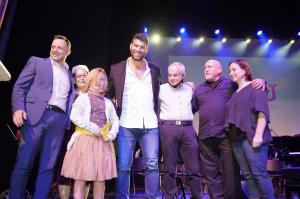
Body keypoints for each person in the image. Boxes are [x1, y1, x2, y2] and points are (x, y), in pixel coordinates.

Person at [10, 35, 74, 199]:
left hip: (58, 122)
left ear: (68, 51)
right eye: (53, 46)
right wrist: (18, 108)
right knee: (24, 164)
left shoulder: (68, 74)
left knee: (48, 167)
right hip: (35, 117)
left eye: (60, 47)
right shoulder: (37, 62)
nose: (55, 50)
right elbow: (19, 87)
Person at [193, 59, 265, 199]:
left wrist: (261, 81)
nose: (206, 69)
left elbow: (247, 86)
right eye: (204, 67)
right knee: (211, 175)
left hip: (225, 137)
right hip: (205, 138)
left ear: (219, 70)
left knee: (230, 174)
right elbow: (189, 109)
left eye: (210, 66)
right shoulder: (199, 89)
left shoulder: (231, 85)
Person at [107, 33, 162, 199]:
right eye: (136, 45)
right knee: (124, 166)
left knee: (152, 165)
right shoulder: (117, 69)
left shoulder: (154, 70)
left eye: (142, 47)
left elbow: (160, 93)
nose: (138, 49)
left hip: (150, 125)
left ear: (146, 49)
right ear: (131, 46)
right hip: (126, 124)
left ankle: (151, 197)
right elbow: (108, 94)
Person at [61, 68, 119, 199]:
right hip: (84, 141)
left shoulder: (108, 102)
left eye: (102, 79)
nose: (99, 82)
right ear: (90, 81)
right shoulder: (82, 98)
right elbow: (74, 116)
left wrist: (112, 134)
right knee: (80, 177)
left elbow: (115, 120)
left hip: (102, 143)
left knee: (100, 179)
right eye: (96, 79)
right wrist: (93, 128)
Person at [226, 59, 274, 199]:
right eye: (230, 71)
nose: (231, 73)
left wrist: (258, 135)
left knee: (259, 174)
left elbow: (262, 112)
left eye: (234, 69)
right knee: (248, 175)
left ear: (245, 70)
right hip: (237, 140)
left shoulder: (256, 87)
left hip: (252, 137)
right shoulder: (234, 92)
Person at [159, 62, 202, 199]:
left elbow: (196, 106)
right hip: (168, 128)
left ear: (183, 75)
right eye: (170, 75)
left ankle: (196, 196)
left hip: (188, 128)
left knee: (194, 168)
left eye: (176, 75)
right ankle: (169, 197)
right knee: (169, 168)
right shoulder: (161, 89)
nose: (172, 78)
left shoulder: (190, 89)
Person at [55, 64, 90, 199]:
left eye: (84, 75)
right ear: (74, 79)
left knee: (86, 170)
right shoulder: (69, 95)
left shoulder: (94, 95)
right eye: (78, 76)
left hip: (88, 136)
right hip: (69, 135)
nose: (81, 78)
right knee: (65, 169)